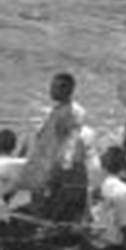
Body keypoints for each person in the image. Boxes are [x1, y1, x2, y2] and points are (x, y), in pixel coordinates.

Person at [22, 72, 89, 222]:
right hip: (45, 165)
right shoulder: (58, 110)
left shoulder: (70, 113)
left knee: (44, 209)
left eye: (54, 87)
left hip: (54, 168)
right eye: (51, 86)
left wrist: (57, 171)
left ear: (66, 89)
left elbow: (69, 144)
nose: (50, 90)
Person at [86, 145, 126, 250]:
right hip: (110, 248)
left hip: (90, 242)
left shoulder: (93, 186)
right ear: (123, 166)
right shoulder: (122, 190)